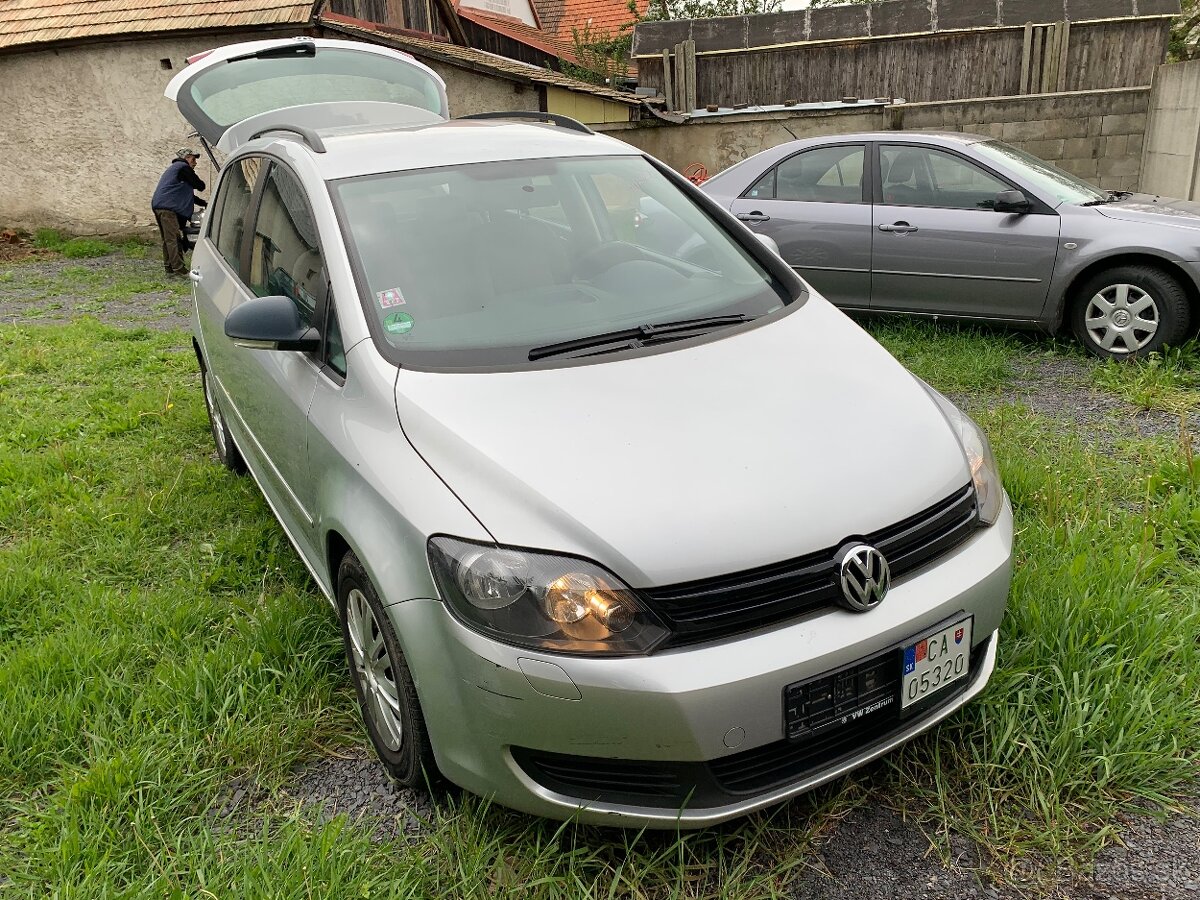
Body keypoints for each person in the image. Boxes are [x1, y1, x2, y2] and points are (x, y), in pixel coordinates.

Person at [151, 148, 208, 277]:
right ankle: (179, 270)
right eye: (193, 159)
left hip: (161, 206)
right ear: (186, 158)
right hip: (168, 208)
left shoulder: (177, 172)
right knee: (173, 239)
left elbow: (189, 196)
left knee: (168, 239)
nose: (195, 163)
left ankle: (169, 267)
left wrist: (205, 203)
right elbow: (200, 185)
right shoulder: (182, 167)